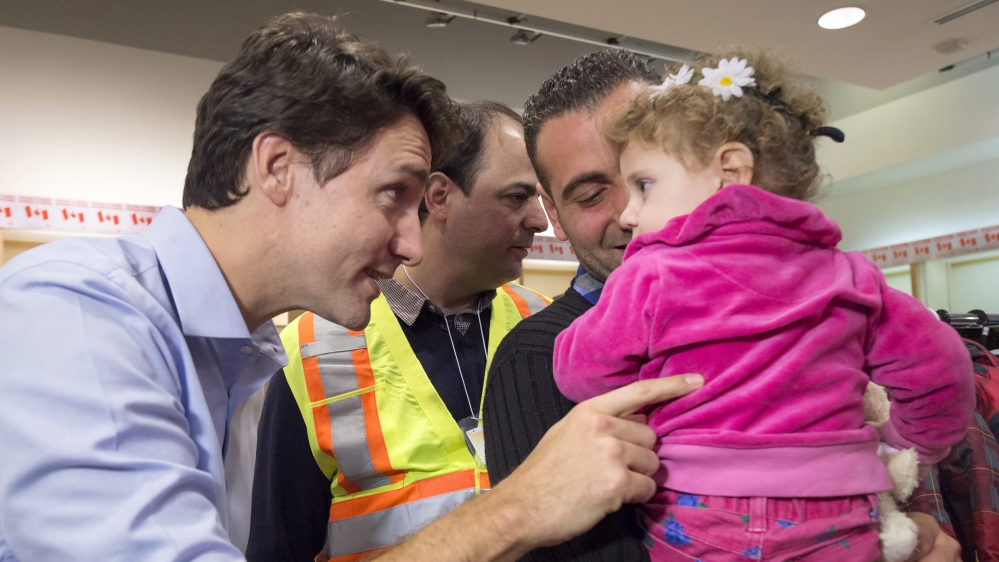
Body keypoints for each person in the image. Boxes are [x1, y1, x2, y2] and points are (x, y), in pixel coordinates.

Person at [0, 14, 702, 561]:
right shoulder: (75, 314)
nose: (411, 243)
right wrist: (518, 509)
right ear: (277, 167)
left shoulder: (236, 358)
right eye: (392, 194)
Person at [483, 48, 966, 562]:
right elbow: (940, 372)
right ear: (553, 211)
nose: (628, 213)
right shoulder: (531, 359)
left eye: (644, 182)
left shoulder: (652, 283)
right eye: (592, 194)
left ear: (728, 167)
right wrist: (898, 449)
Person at [247, 100, 551, 561]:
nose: (540, 220)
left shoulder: (547, 328)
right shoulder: (312, 353)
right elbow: (278, 550)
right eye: (516, 197)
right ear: (440, 197)